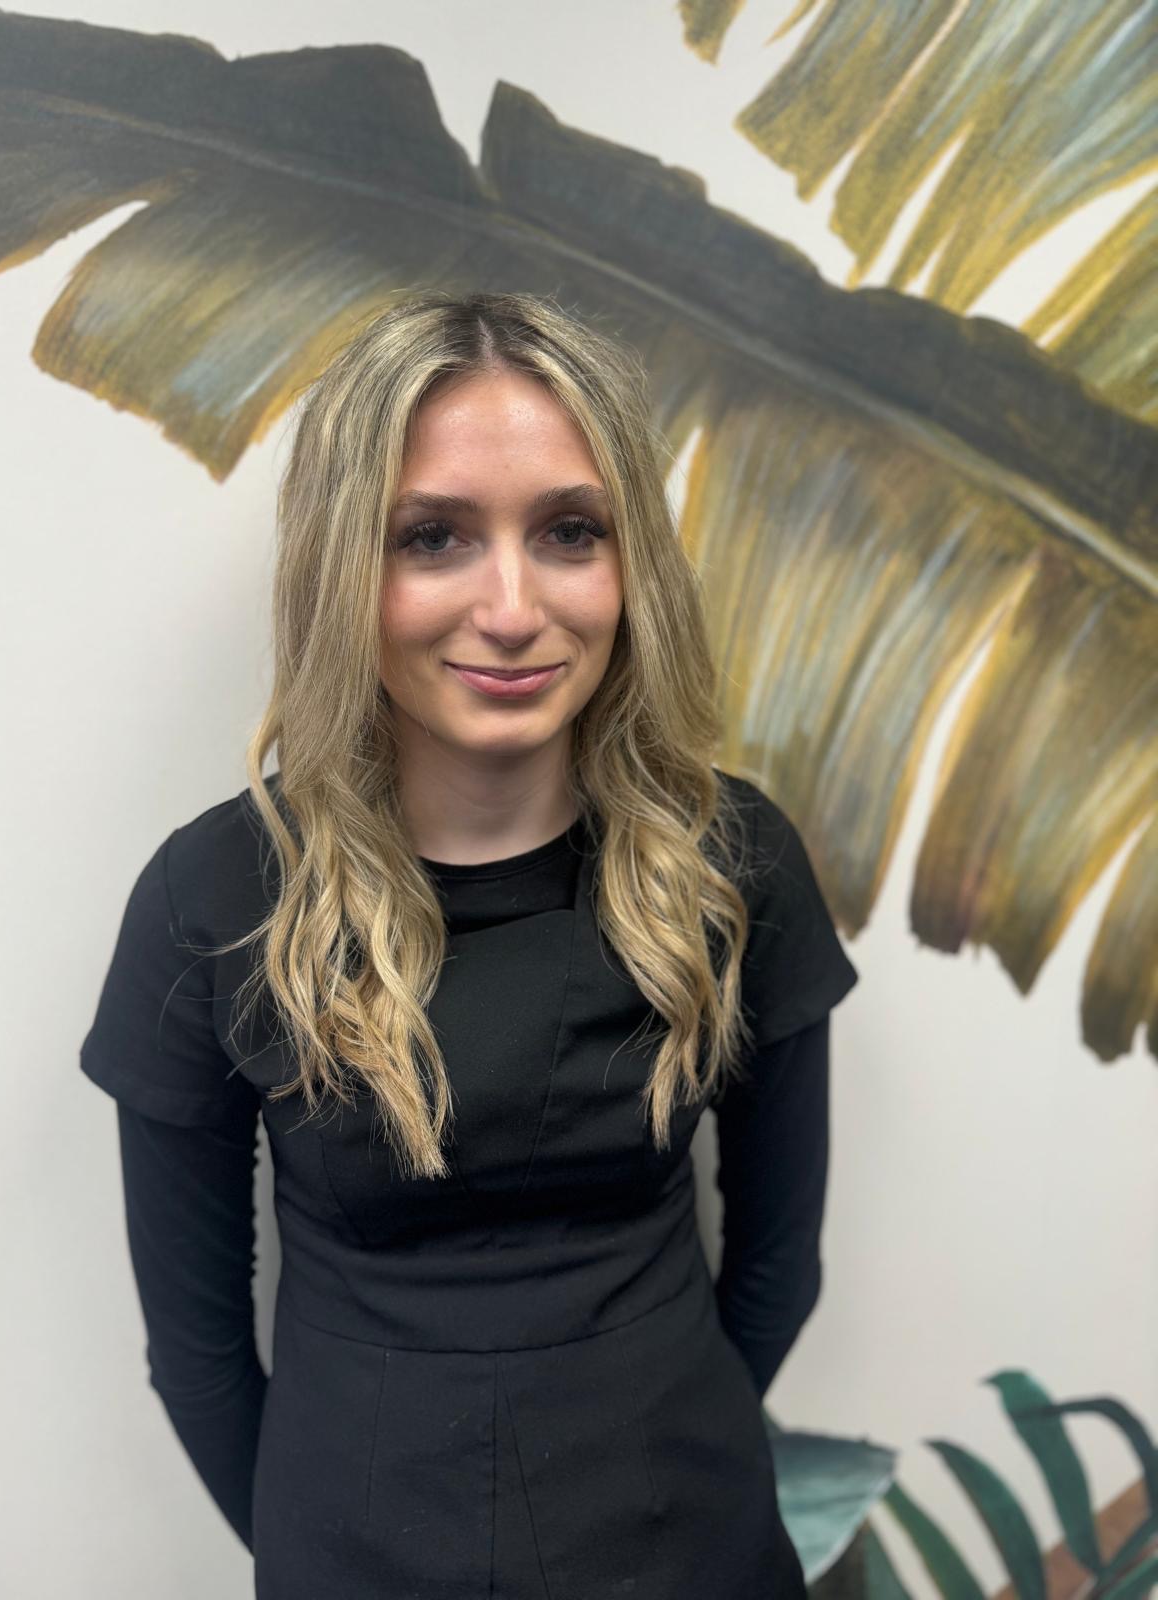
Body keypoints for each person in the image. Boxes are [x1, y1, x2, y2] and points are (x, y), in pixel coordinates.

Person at [79, 289, 860, 1598]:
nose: (511, 609)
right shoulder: (212, 902)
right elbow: (199, 1350)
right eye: (433, 537)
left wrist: (659, 1472)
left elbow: (776, 1266)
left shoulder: (736, 867)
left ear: (630, 566)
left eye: (568, 533)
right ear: (344, 565)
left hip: (696, 1551)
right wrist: (333, 1542)